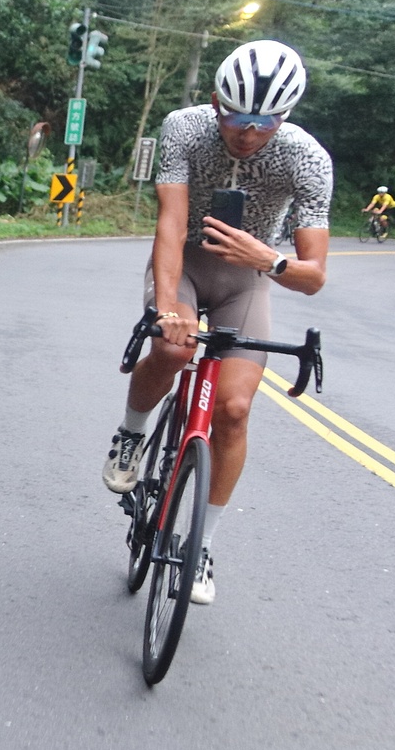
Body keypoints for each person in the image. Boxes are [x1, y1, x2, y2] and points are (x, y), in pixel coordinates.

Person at [102, 40, 331, 604]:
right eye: (236, 117)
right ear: (214, 103)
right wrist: (166, 309)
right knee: (174, 349)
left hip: (247, 279)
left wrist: (270, 260)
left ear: (284, 116)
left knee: (233, 409)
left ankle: (200, 545)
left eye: (265, 122)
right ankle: (131, 434)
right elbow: (170, 222)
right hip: (185, 261)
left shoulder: (307, 158)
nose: (248, 133)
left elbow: (313, 276)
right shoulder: (185, 127)